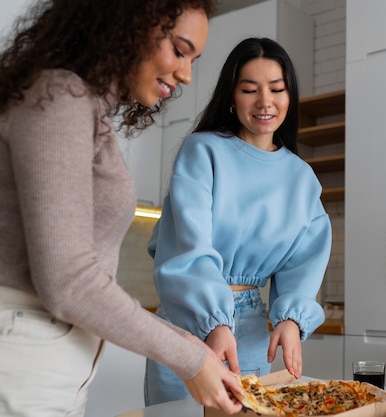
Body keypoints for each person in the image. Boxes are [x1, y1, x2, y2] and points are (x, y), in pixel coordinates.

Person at [0, 1, 245, 416]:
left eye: (193, 59)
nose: (186, 74)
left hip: (52, 362)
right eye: (180, 49)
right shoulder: (59, 96)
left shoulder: (85, 107)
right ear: (129, 21)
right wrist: (189, 359)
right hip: (25, 358)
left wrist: (189, 344)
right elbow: (67, 283)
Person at [144, 37, 332, 405]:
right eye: (250, 89)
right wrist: (213, 322)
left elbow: (304, 260)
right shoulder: (203, 150)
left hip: (250, 330)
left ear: (289, 96)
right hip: (186, 323)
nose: (265, 102)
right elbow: (190, 242)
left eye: (277, 89)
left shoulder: (302, 177)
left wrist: (291, 320)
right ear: (231, 97)